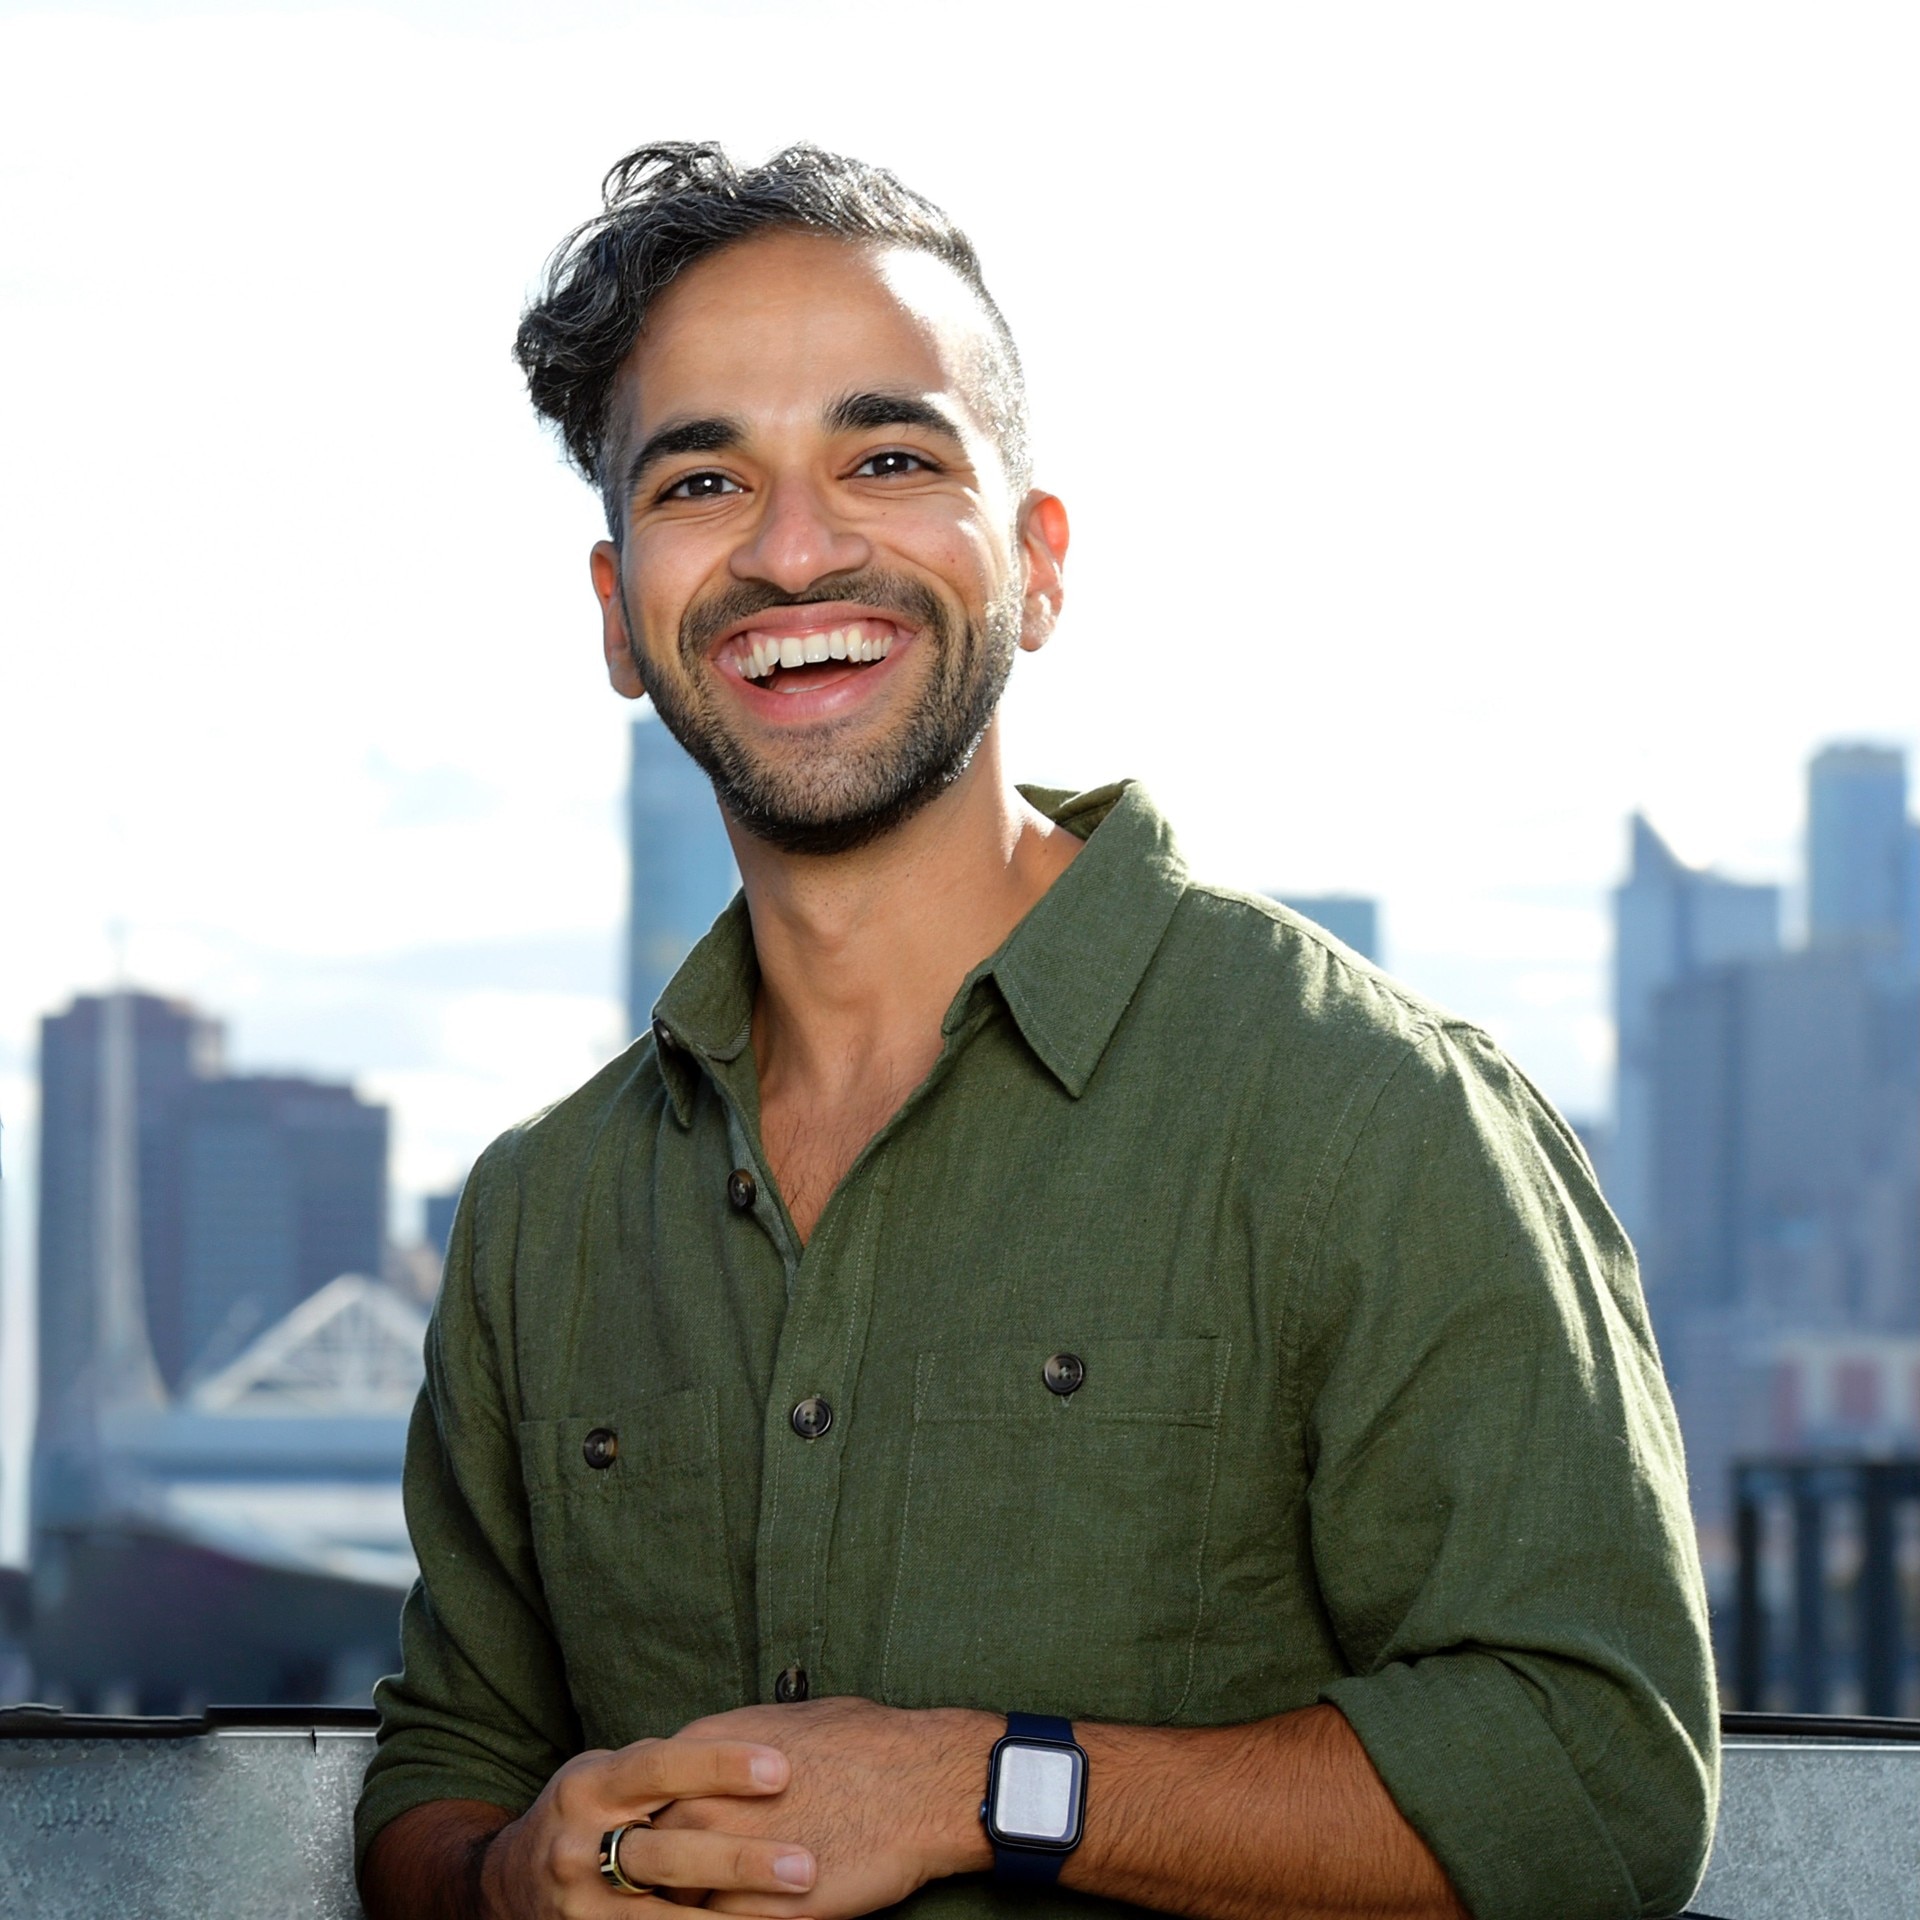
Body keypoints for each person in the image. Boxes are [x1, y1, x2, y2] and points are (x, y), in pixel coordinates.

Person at [355, 143, 1717, 1920]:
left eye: (891, 458)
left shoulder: (1369, 1114)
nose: (794, 546)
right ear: (622, 614)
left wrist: (986, 1785)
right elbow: (441, 1767)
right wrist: (511, 1878)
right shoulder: (542, 1211)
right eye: (702, 480)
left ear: (1039, 564)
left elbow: (1594, 1787)